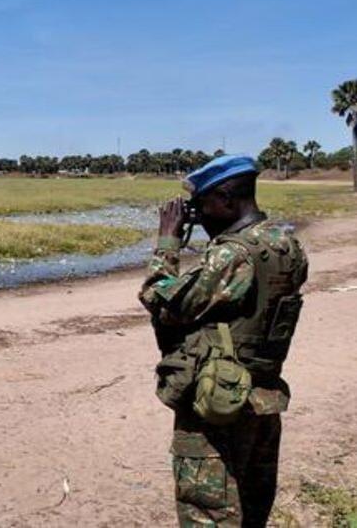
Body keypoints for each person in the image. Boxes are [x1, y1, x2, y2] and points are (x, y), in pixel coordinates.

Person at [139, 155, 308, 527]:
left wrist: (168, 240)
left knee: (208, 514)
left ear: (228, 199)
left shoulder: (232, 256)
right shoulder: (285, 244)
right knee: (250, 512)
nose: (197, 217)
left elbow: (160, 298)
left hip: (217, 406)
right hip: (262, 401)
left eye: (202, 206)